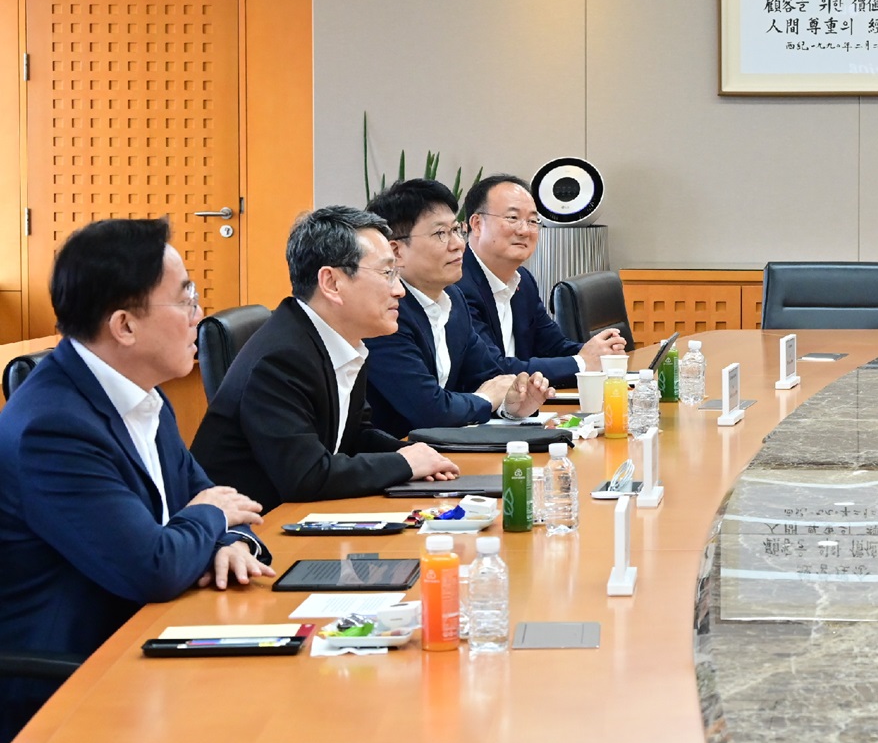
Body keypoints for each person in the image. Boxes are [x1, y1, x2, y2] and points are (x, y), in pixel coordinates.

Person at [0, 219, 274, 743]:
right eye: (185, 300)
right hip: (73, 689)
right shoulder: (52, 429)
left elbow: (217, 499)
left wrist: (230, 541)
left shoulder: (142, 394)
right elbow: (153, 566)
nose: (198, 316)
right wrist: (212, 519)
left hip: (149, 641)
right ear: (124, 326)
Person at [193, 207, 461, 510]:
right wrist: (405, 463)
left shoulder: (340, 340)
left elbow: (354, 435)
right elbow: (305, 475)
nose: (399, 290)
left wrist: (420, 454)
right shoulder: (281, 359)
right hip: (249, 530)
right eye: (387, 274)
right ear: (331, 283)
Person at [363, 179, 555, 438]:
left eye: (456, 230)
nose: (458, 244)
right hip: (396, 454)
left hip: (445, 450)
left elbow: (490, 376)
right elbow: (430, 410)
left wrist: (513, 405)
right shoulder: (385, 312)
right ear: (396, 252)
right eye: (440, 234)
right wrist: (487, 399)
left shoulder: (453, 298)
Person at [452, 174, 624, 382]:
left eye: (532, 221)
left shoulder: (523, 280)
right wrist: (582, 362)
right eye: (512, 218)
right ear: (477, 224)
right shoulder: (456, 285)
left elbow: (553, 346)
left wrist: (600, 352)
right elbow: (492, 368)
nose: (525, 230)